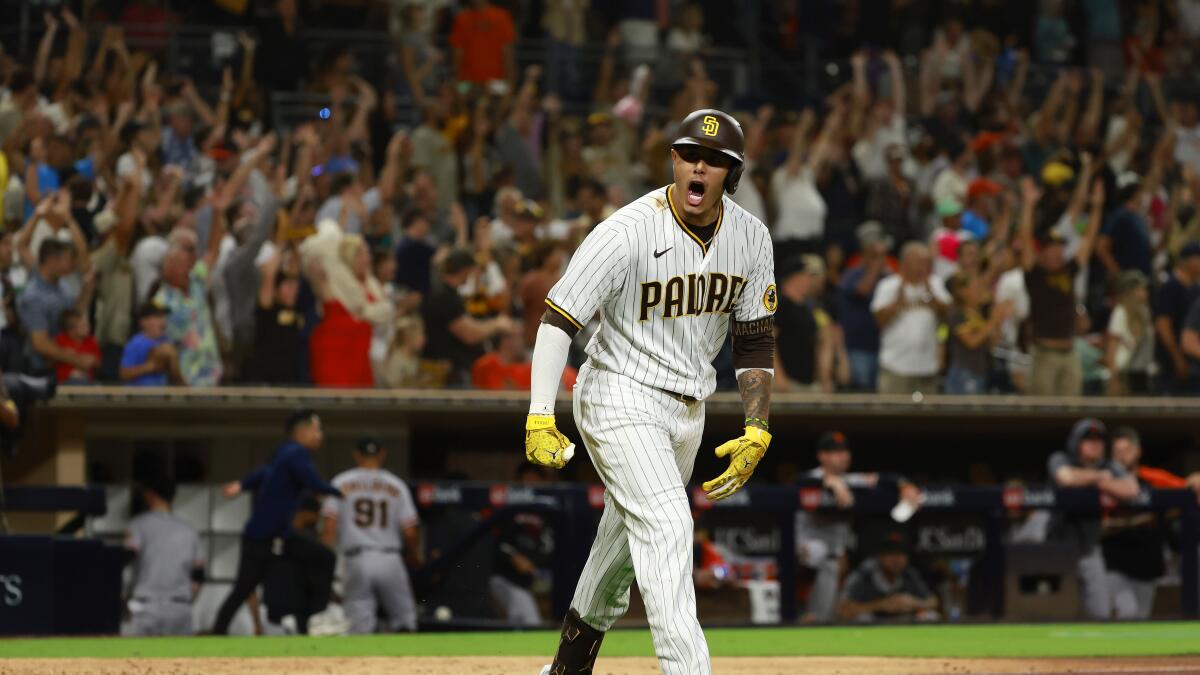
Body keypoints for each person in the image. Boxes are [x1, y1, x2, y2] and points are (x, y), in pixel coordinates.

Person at [527, 109, 775, 675]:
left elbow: (754, 341)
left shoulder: (751, 237)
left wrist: (757, 425)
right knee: (668, 526)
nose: (698, 166)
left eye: (713, 161)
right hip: (620, 392)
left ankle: (566, 669)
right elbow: (557, 319)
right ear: (673, 159)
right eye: (689, 154)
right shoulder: (625, 231)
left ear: (730, 174)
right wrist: (541, 413)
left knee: (619, 549)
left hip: (689, 407)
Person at [212, 410, 342, 635]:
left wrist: (242, 485)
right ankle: (318, 617)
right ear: (302, 430)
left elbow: (263, 472)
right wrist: (339, 492)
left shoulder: (283, 452)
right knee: (323, 557)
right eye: (317, 429)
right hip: (264, 535)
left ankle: (311, 620)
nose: (321, 435)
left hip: (278, 534)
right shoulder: (296, 453)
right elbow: (312, 482)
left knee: (311, 562)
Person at [797, 432, 920, 623]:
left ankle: (820, 618)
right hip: (804, 548)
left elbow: (887, 478)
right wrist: (828, 482)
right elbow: (802, 482)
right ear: (822, 456)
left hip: (836, 553)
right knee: (825, 555)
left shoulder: (851, 480)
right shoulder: (811, 477)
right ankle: (814, 617)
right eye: (835, 451)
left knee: (836, 559)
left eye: (845, 451)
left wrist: (906, 486)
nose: (843, 455)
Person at [321, 437, 422, 633]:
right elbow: (410, 532)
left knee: (358, 623)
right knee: (404, 618)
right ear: (382, 454)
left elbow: (329, 530)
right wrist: (413, 555)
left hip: (356, 558)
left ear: (356, 455)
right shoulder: (397, 485)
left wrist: (327, 565)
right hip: (390, 557)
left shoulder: (340, 482)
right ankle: (410, 662)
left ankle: (362, 664)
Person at [1046, 418, 1140, 619]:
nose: (1095, 444)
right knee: (1056, 611)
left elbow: (1132, 489)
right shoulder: (1061, 458)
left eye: (1098, 440)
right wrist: (1100, 478)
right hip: (1057, 549)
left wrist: (1100, 482)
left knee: (1100, 612)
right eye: (1088, 439)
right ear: (1076, 443)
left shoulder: (1108, 465)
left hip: (1090, 549)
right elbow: (1066, 478)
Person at [1018, 177, 1103, 396]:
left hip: (1070, 351)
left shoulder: (1069, 270)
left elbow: (1088, 240)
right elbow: (1025, 239)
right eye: (1051, 248)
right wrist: (1028, 205)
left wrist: (1097, 207)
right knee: (1041, 413)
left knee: (1072, 409)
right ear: (1042, 251)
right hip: (1044, 353)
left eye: (1059, 248)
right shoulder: (1035, 274)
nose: (1057, 252)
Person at [422, 247, 516, 386]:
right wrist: (498, 324)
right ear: (465, 270)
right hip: (447, 374)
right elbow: (469, 334)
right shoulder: (445, 295)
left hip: (453, 371)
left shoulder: (447, 292)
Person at [124, 476, 205, 636]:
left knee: (141, 660)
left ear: (151, 494)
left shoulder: (138, 525)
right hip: (180, 607)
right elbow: (199, 575)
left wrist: (124, 597)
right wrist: (186, 602)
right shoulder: (189, 530)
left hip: (146, 606)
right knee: (180, 661)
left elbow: (127, 560)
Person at [1103, 427, 1170, 620]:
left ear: (1138, 451)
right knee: (1127, 613)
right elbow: (1100, 526)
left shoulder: (1153, 478)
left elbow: (1187, 487)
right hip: (1115, 562)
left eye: (1127, 450)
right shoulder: (1106, 481)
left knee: (1141, 617)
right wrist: (1135, 522)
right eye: (1117, 451)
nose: (1122, 456)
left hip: (1147, 565)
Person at [870, 242, 950, 395]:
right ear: (905, 263)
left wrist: (931, 293)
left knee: (926, 417)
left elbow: (948, 315)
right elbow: (878, 321)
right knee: (894, 414)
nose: (924, 267)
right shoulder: (888, 286)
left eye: (927, 263)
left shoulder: (935, 283)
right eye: (919, 262)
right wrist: (896, 304)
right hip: (896, 366)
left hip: (927, 366)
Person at [18, 238, 94, 377]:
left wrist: (87, 291)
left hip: (63, 363)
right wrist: (76, 359)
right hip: (39, 369)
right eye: (67, 260)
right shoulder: (34, 295)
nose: (72, 265)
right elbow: (40, 342)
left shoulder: (63, 285)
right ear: (51, 261)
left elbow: (72, 316)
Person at [489, 464, 552, 627]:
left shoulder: (549, 511)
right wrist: (513, 556)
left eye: (535, 479)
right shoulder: (508, 508)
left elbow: (549, 548)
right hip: (504, 577)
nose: (531, 483)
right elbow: (495, 542)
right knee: (530, 621)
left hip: (535, 579)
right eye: (526, 479)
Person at [837, 531, 938, 623]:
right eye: (891, 553)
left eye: (900, 554)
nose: (896, 559)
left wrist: (913, 602)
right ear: (880, 556)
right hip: (872, 627)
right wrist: (882, 605)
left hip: (902, 624)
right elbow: (843, 609)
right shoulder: (865, 573)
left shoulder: (908, 573)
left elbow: (933, 601)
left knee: (930, 615)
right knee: (863, 618)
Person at [773, 256, 835, 393]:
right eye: (808, 275)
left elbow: (821, 342)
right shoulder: (779, 305)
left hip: (808, 384)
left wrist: (824, 378)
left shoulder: (809, 308)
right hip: (787, 384)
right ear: (796, 277)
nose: (811, 280)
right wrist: (779, 377)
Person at [1154, 242, 1200, 393]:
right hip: (1171, 359)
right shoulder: (1171, 287)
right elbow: (1163, 324)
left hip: (1192, 361)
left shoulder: (1196, 289)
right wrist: (1177, 357)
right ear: (1188, 260)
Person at [1104, 271, 1154, 395]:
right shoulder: (1120, 312)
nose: (1144, 293)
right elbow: (1112, 348)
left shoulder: (1145, 312)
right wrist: (1113, 378)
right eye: (1139, 290)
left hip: (1142, 371)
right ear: (1129, 292)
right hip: (1124, 373)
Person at [119, 301, 180, 386]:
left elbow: (174, 376)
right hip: (138, 396)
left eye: (163, 316)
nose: (163, 321)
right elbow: (123, 374)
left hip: (161, 395)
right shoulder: (136, 343)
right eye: (157, 317)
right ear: (143, 322)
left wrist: (172, 359)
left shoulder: (166, 341)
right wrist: (150, 367)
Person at [53, 309, 99, 383]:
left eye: (87, 324)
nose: (88, 327)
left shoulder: (91, 341)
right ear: (71, 330)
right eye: (83, 326)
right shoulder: (60, 340)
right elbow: (51, 361)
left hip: (87, 380)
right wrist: (62, 354)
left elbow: (98, 362)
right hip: (64, 381)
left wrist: (93, 360)